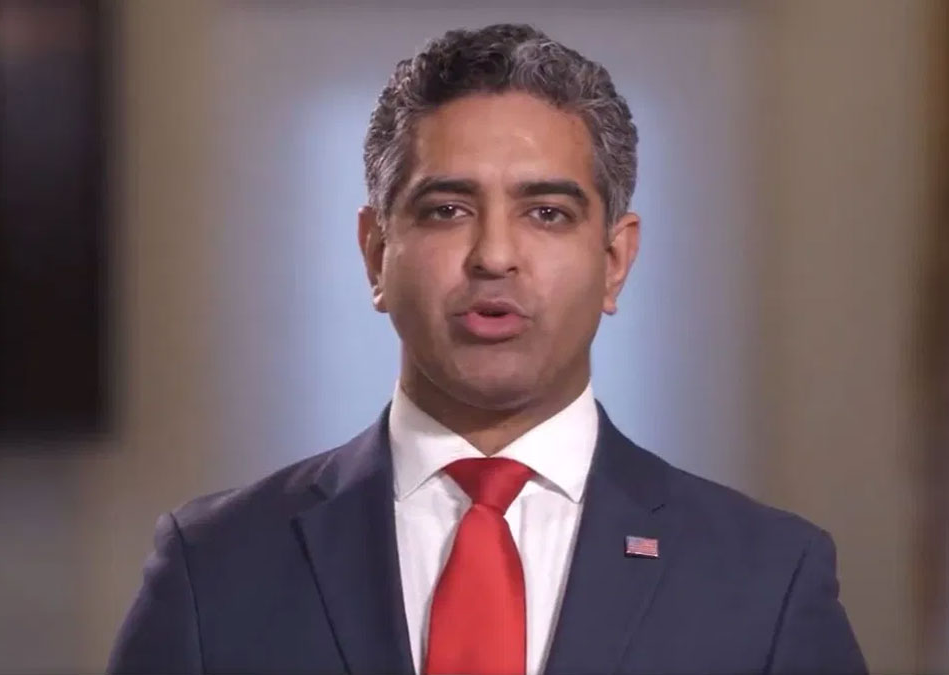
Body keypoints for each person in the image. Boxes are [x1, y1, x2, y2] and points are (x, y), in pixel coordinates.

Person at [108, 23, 866, 675]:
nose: (495, 256)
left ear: (614, 261)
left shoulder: (768, 579)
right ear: (376, 254)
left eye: (547, 212)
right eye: (447, 209)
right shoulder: (213, 566)